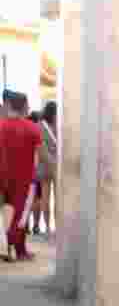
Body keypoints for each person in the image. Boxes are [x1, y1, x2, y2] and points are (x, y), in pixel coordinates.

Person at [0, 93, 42, 262]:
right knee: (21, 215)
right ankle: (19, 250)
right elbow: (42, 154)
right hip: (25, 180)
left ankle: (7, 248)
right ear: (23, 106)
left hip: (3, 177)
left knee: (5, 213)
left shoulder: (1, 125)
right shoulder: (32, 128)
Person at [31, 101, 57, 237]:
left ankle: (46, 227)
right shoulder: (58, 125)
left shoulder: (38, 126)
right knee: (58, 198)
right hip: (56, 166)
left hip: (43, 166)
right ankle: (57, 227)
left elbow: (37, 146)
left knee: (45, 198)